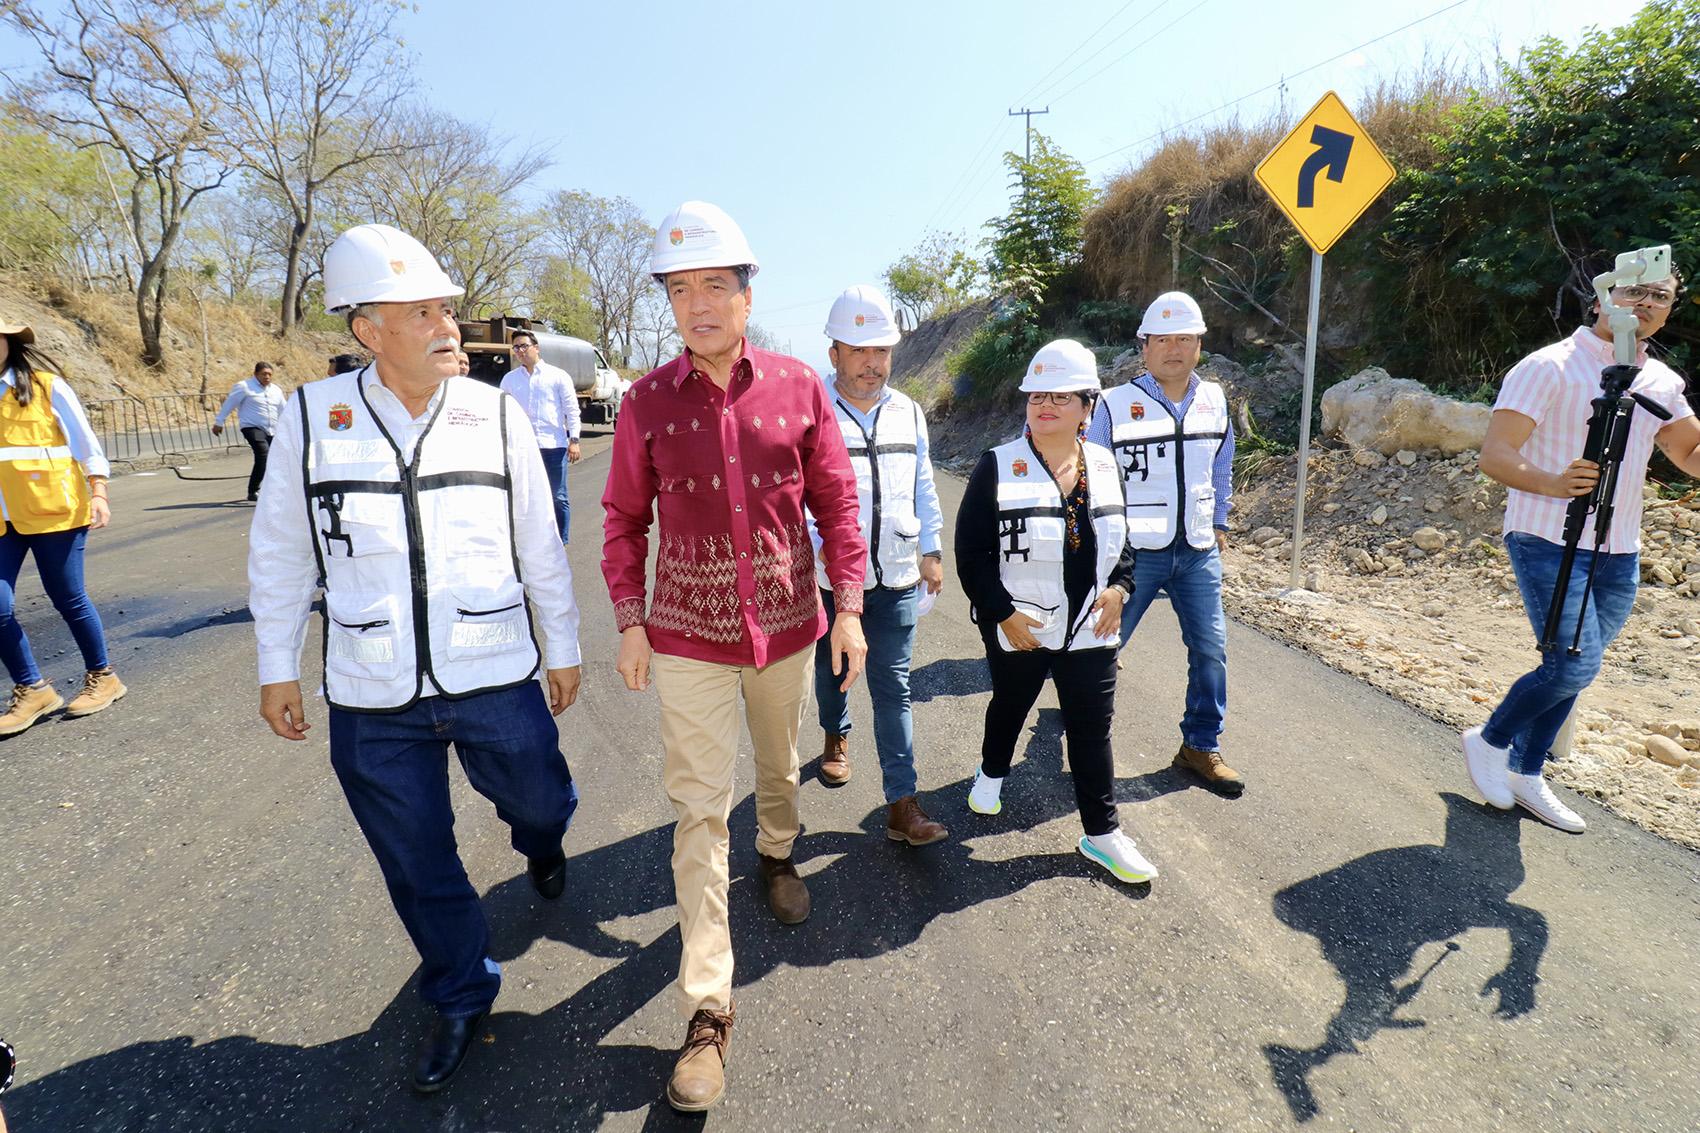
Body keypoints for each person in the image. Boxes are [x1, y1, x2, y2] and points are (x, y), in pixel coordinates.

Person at [246, 224, 585, 1092]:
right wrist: (276, 663)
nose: (447, 326)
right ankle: (463, 988)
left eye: (447, 308)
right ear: (368, 330)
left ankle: (540, 843)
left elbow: (540, 543)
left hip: (492, 663)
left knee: (542, 797)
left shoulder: (494, 411)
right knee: (415, 855)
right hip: (371, 683)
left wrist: (565, 642)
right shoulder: (312, 421)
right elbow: (282, 547)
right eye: (423, 311)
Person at [601, 200, 867, 1113]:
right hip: (685, 635)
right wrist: (631, 617)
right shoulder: (644, 402)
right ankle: (708, 1008)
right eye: (681, 289)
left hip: (788, 623)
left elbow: (836, 503)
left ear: (749, 294)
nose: (699, 303)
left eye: (716, 284)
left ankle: (781, 853)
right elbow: (623, 520)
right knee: (697, 810)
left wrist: (851, 607)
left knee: (778, 765)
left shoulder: (798, 387)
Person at [1464, 258, 1700, 832]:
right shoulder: (1548, 367)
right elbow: (1496, 455)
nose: (1646, 303)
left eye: (1660, 296)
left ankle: (1525, 771)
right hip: (1547, 535)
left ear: (1670, 310)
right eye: (1634, 291)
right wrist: (1552, 481)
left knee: (1577, 666)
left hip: (1620, 547)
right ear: (1600, 299)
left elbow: (1689, 455)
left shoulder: (1661, 382)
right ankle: (1490, 741)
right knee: (1572, 665)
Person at [956, 339, 1155, 883]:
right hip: (1024, 622)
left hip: (1092, 627)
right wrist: (1001, 614)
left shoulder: (1106, 465)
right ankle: (992, 771)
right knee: (1010, 706)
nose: (1044, 405)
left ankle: (1102, 835)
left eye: (1060, 397)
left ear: (1087, 407)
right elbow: (971, 554)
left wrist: (1120, 588)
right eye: (1036, 396)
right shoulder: (997, 465)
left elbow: (1123, 541)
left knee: (1092, 730)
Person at [1087, 291, 1243, 796]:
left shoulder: (1215, 399)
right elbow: (1095, 477)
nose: (1173, 349)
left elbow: (1222, 464)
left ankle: (1200, 744)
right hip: (1135, 555)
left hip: (1198, 549)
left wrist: (1219, 520)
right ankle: (1087, 741)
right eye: (1162, 339)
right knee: (1101, 647)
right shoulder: (1114, 405)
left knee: (1211, 650)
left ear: (1199, 345)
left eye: (1184, 339)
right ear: (1144, 346)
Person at [809, 284, 948, 845]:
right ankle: (835, 734)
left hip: (894, 573)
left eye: (881, 351)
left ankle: (902, 803)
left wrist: (932, 549)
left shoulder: (908, 411)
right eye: (858, 350)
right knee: (833, 672)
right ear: (834, 353)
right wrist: (814, 545)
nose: (872, 363)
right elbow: (795, 494)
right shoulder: (810, 409)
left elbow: (922, 485)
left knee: (894, 687)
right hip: (829, 579)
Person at [0, 321, 126, 736]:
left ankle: (103, 676)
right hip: (3, 518)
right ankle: (32, 688)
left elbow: (85, 443)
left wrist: (99, 492)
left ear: (9, 343)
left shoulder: (46, 386)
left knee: (67, 597)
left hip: (55, 511)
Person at [501, 330, 581, 543]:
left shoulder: (557, 376)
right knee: (526, 495)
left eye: (524, 346)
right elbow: (503, 411)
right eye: (516, 347)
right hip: (523, 447)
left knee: (557, 496)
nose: (520, 351)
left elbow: (571, 410)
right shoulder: (510, 380)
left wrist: (574, 440)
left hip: (553, 446)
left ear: (536, 347)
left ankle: (561, 540)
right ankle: (531, 540)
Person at [212, 361, 287, 502]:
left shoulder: (276, 390)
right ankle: (253, 490)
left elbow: (284, 409)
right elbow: (230, 403)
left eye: (270, 374)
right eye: (264, 374)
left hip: (272, 429)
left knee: (275, 458)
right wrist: (219, 422)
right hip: (251, 427)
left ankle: (273, 488)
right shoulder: (244, 387)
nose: (267, 377)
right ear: (256, 374)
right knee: (263, 454)